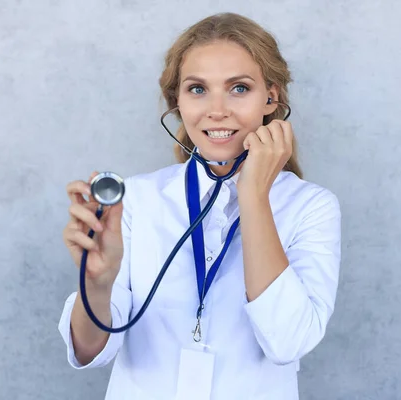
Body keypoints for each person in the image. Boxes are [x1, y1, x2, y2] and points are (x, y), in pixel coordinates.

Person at [58, 12, 341, 400]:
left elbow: (289, 342)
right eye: (197, 89)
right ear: (177, 100)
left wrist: (254, 196)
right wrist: (97, 283)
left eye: (239, 88)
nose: (217, 110)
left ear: (270, 97)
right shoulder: (136, 201)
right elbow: (90, 350)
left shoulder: (311, 207)